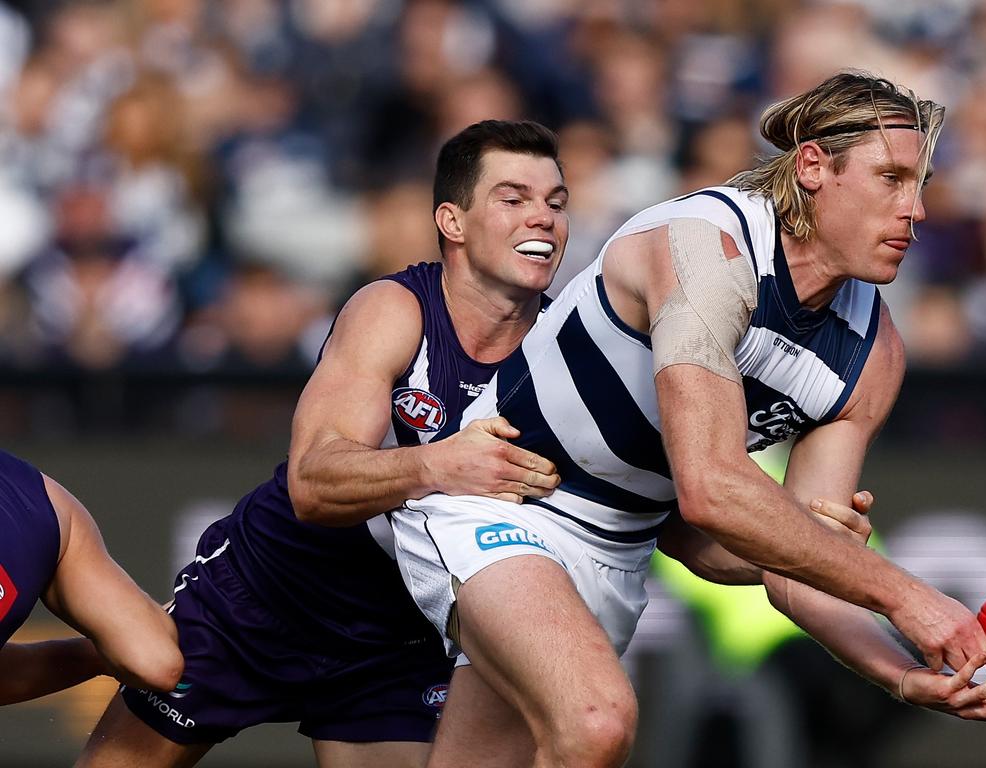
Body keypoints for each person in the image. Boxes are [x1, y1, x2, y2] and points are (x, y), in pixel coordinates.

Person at [388, 72, 986, 768]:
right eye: (893, 179)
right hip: (503, 501)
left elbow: (791, 571)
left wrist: (901, 673)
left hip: (614, 556)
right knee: (597, 722)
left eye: (921, 184)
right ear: (813, 167)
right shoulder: (706, 246)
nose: (918, 210)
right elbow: (710, 489)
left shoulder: (875, 356)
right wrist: (909, 597)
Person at [75, 120, 566, 768]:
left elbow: (657, 502)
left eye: (556, 203)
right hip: (263, 596)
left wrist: (744, 541)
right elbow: (312, 484)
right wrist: (440, 463)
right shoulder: (394, 310)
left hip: (396, 634)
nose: (544, 217)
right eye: (514, 198)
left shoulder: (566, 350)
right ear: (452, 220)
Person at [0, 450, 182, 706]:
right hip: (38, 500)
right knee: (154, 661)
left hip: (36, 509)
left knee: (155, 663)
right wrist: (96, 656)